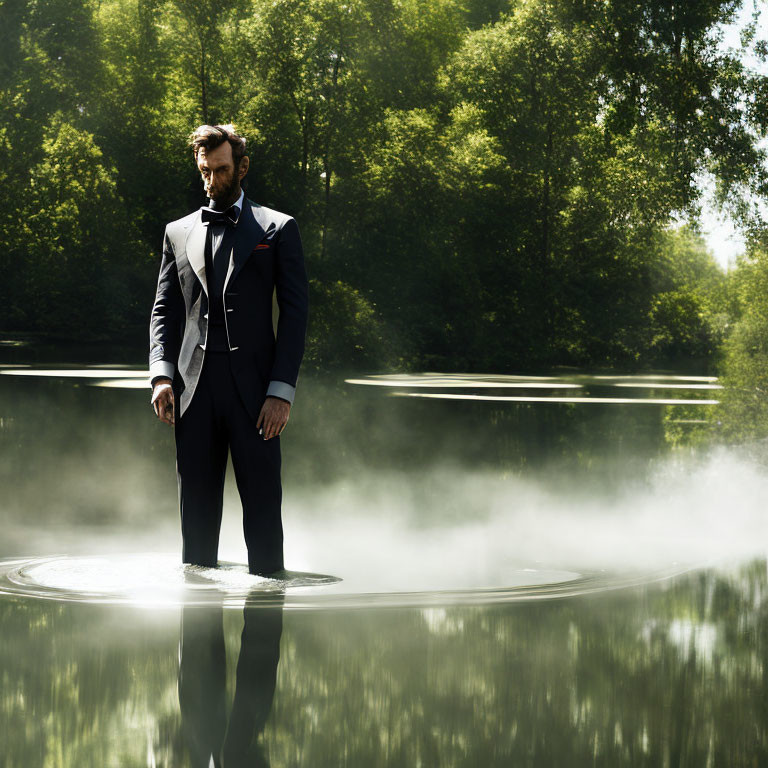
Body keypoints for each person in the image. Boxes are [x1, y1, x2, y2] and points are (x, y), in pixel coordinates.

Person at [149, 124, 308, 576]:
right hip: (192, 393)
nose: (211, 181)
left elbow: (295, 317)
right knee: (194, 528)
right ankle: (196, 634)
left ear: (242, 167)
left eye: (220, 170)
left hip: (257, 396)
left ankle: (264, 629)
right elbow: (163, 312)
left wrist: (281, 392)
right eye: (204, 171)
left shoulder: (278, 228)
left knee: (262, 520)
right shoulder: (176, 232)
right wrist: (161, 375)